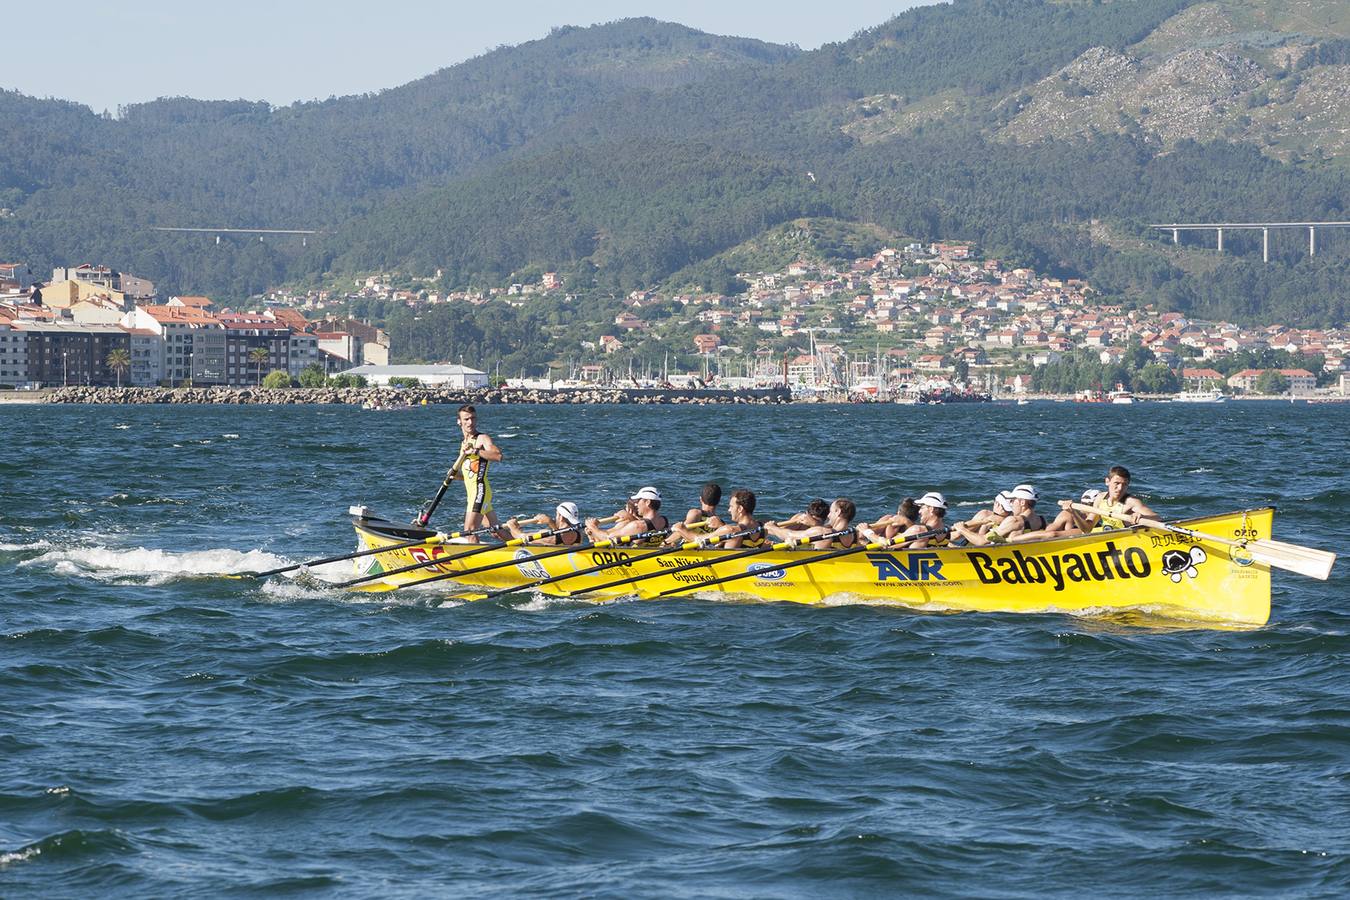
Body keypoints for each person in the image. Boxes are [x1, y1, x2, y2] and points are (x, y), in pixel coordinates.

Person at [453, 404, 503, 540]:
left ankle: (473, 554)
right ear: (459, 421)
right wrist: (456, 476)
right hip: (473, 493)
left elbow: (498, 456)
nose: (470, 422)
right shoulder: (464, 443)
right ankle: (523, 548)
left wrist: (475, 451)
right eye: (466, 419)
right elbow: (470, 475)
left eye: (473, 418)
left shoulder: (482, 438)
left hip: (479, 491)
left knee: (469, 531)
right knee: (496, 531)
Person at [668, 488, 764, 548]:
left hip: (727, 569)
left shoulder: (730, 530)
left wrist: (681, 529)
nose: (729, 510)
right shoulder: (763, 528)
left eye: (731, 506)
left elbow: (699, 540)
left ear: (740, 509)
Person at [952, 484, 1043, 546]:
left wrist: (962, 529)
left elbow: (982, 541)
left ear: (1022, 502)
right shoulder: (1042, 520)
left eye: (1012, 500)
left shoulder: (1013, 520)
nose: (1011, 504)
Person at [1013, 488, 1103, 542]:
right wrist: (1013, 539)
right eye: (1084, 504)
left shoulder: (1099, 523)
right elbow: (1050, 533)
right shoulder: (1068, 514)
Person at [765, 498, 857, 549]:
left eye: (831, 512)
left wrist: (773, 528)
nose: (828, 516)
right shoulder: (855, 535)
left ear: (838, 512)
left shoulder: (822, 532)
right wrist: (814, 524)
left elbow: (790, 535)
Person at [586, 486, 668, 542]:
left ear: (647, 502)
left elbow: (609, 539)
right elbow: (649, 525)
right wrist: (631, 517)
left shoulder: (638, 525)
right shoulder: (664, 521)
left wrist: (592, 527)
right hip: (650, 551)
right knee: (624, 523)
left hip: (634, 557)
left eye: (638, 500)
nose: (636, 504)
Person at [1092, 466, 1157, 530]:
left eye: (1124, 484)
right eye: (1117, 483)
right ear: (1107, 481)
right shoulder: (1100, 497)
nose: (1120, 488)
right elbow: (1089, 525)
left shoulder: (1131, 502)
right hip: (1107, 534)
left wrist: (1142, 516)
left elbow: (1157, 518)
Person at [504, 502, 584, 546]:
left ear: (560, 516)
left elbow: (520, 537)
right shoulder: (579, 534)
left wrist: (513, 527)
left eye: (556, 514)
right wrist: (550, 522)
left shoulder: (550, 537)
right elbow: (561, 532)